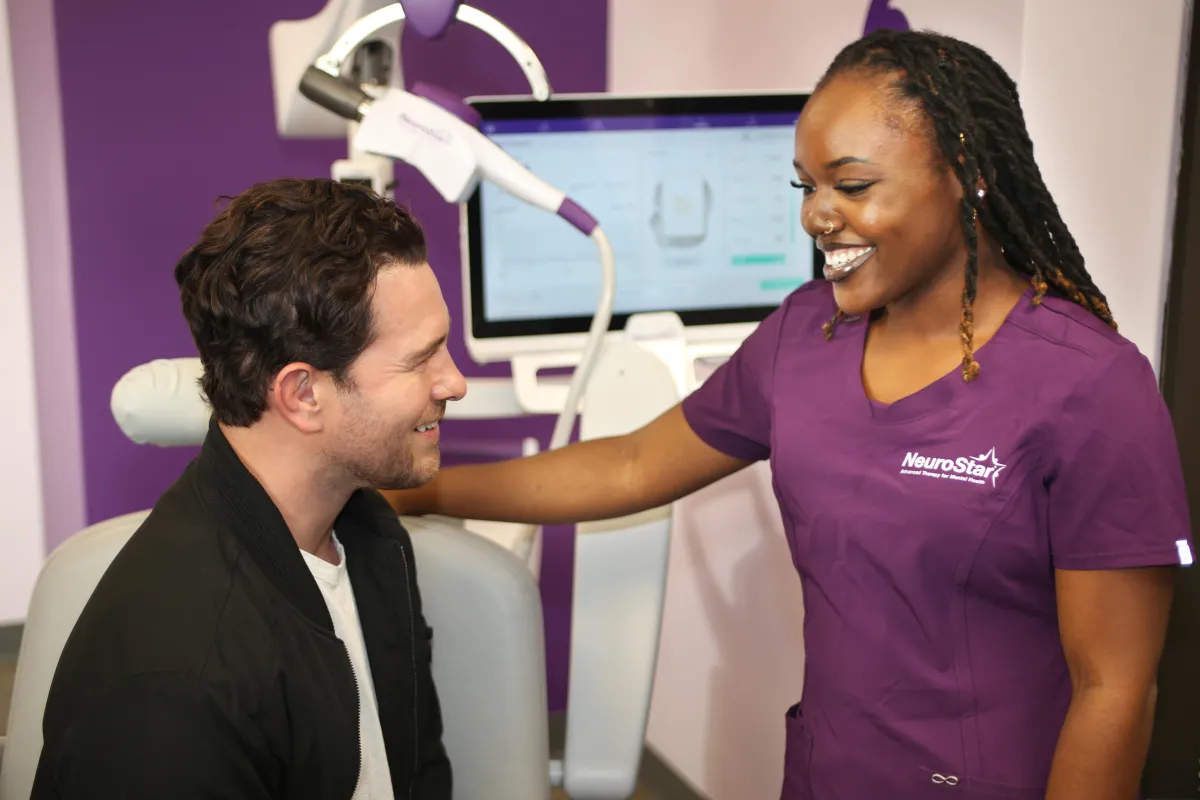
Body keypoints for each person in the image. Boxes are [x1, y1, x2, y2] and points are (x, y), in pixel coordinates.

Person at [384, 29, 1193, 799]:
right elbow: (629, 465)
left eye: (853, 185)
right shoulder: (807, 335)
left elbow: (1114, 688)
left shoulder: (1090, 385)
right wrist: (413, 493)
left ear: (966, 172)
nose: (816, 215)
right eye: (806, 186)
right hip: (827, 776)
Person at [34, 178, 465, 799]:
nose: (454, 382)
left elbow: (417, 777)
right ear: (303, 394)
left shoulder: (370, 536)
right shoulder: (178, 678)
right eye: (421, 357)